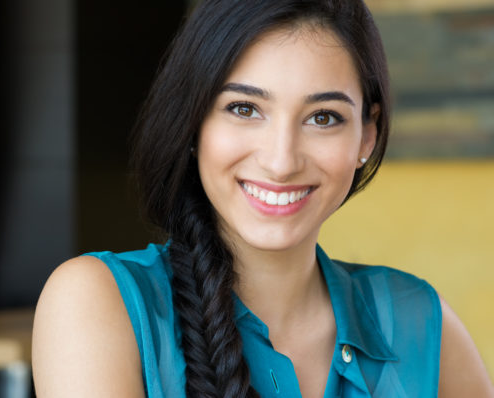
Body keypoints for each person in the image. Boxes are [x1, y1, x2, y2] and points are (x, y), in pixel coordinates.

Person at [32, 0, 494, 397]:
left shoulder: (420, 321)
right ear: (193, 125)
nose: (280, 161)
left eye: (324, 117)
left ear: (366, 136)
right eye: (244, 109)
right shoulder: (98, 302)